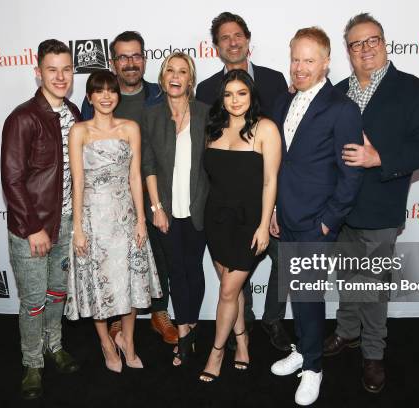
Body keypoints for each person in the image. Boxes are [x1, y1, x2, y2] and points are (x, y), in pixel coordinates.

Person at [324, 13, 419, 393]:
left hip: (381, 211)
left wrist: (381, 158)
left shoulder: (411, 89)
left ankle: (373, 353)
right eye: (357, 44)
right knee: (346, 279)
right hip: (341, 210)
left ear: (384, 41)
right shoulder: (337, 92)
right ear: (348, 51)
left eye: (371, 40)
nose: (365, 49)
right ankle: (347, 332)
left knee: (373, 288)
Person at [269, 28, 363, 406]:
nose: (300, 67)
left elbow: (351, 173)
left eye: (309, 60)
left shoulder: (342, 108)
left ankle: (314, 368)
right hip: (286, 215)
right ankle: (304, 349)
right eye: (295, 59)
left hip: (316, 221)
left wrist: (329, 221)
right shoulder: (281, 103)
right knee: (297, 293)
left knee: (308, 295)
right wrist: (274, 207)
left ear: (326, 62)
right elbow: (279, 163)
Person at [196, 11, 292, 352]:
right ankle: (244, 323)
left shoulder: (275, 80)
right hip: (224, 206)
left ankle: (274, 319)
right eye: (225, 37)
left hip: (269, 199)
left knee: (285, 260)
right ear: (217, 47)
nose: (233, 41)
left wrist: (276, 207)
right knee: (233, 277)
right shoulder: (206, 90)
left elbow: (284, 142)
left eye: (238, 35)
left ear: (248, 40)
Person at [80, 31, 174, 346]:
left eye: (135, 56)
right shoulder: (97, 97)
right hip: (112, 198)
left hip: (159, 191)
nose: (130, 63)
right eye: (123, 57)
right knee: (117, 260)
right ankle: (121, 319)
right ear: (113, 61)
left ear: (144, 59)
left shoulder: (159, 94)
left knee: (158, 256)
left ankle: (160, 312)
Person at [65, 70, 162, 373]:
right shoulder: (79, 131)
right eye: (99, 91)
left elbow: (135, 177)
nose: (106, 96)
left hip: (125, 218)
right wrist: (78, 228)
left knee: (130, 284)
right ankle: (107, 344)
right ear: (90, 97)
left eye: (112, 90)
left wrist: (141, 220)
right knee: (98, 286)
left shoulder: (130, 127)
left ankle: (128, 342)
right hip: (94, 219)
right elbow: (77, 182)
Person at [1, 39, 81, 400]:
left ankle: (54, 346)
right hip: (31, 229)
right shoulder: (23, 118)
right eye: (52, 69)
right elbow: (12, 179)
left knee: (57, 294)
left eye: (66, 69)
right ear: (38, 73)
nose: (60, 76)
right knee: (33, 300)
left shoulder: (74, 112)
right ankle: (32, 363)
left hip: (65, 224)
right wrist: (33, 227)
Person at [199, 69, 281, 382]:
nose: (235, 100)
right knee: (231, 291)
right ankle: (243, 341)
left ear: (251, 96)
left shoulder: (265, 129)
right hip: (216, 219)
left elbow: (271, 181)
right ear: (222, 98)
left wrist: (263, 224)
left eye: (242, 93)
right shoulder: (214, 128)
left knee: (228, 291)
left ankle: (217, 352)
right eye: (229, 94)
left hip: (249, 222)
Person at [141, 52, 210, 366]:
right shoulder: (151, 116)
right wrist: (156, 207)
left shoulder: (207, 113)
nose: (176, 76)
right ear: (163, 77)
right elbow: (148, 165)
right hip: (166, 210)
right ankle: (184, 331)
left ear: (190, 80)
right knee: (176, 273)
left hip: (199, 209)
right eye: (170, 70)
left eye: (183, 71)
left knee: (194, 270)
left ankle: (190, 327)